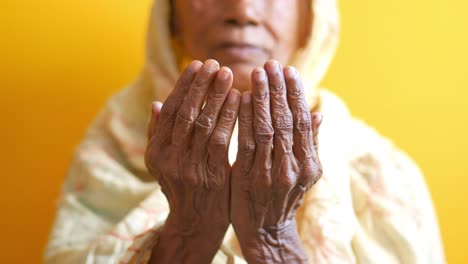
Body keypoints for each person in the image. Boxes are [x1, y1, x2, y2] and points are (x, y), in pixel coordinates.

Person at [44, 0, 445, 263]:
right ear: (172, 17)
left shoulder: (381, 173)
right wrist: (188, 233)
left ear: (313, 21)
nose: (243, 11)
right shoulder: (115, 147)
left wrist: (274, 240)